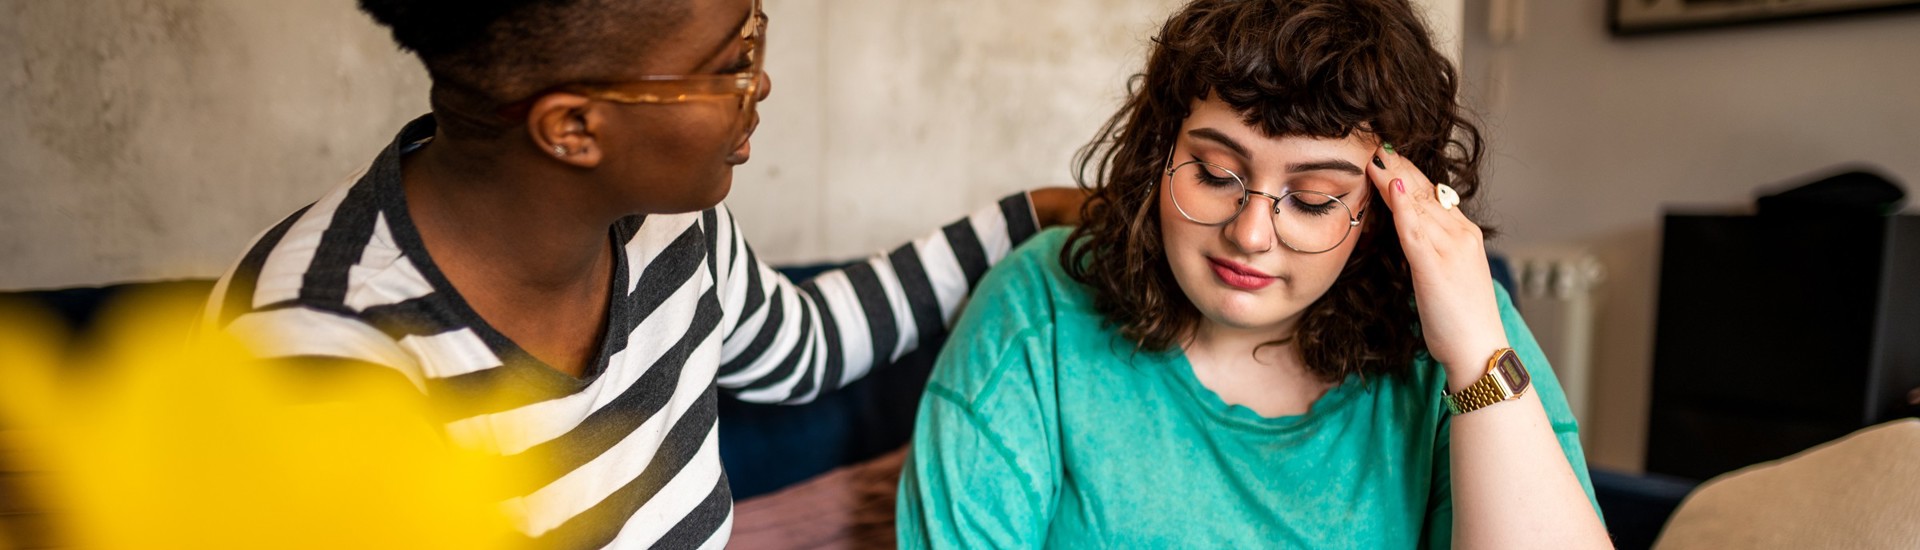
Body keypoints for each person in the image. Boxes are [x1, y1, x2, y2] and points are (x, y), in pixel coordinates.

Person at [199, 0, 1083, 547]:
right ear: (572, 128)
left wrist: (1037, 213)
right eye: (729, 63)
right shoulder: (319, 358)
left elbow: (806, 346)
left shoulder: (671, 227)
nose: (761, 85)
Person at [897, 0, 1611, 547]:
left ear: (1390, 206)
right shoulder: (1039, 310)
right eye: (1214, 173)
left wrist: (1474, 352)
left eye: (1313, 200)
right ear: (1159, 153)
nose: (1249, 233)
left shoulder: (1461, 330)